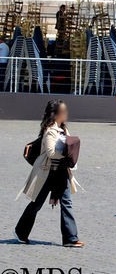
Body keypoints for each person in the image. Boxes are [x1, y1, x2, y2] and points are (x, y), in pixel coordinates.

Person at [14, 100, 84, 247]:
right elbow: (52, 153)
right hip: (47, 173)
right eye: (63, 111)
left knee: (67, 203)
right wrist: (68, 154)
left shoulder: (64, 129)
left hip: (61, 173)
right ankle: (21, 231)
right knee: (36, 204)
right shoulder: (50, 131)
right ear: (55, 114)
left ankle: (70, 238)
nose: (66, 114)